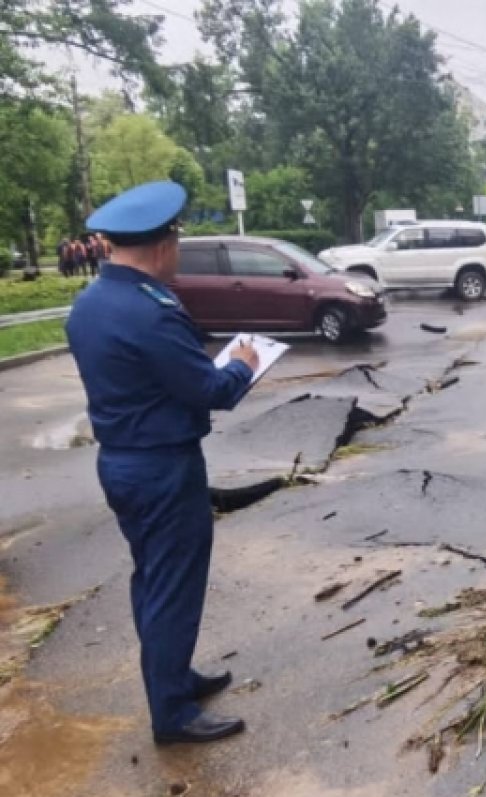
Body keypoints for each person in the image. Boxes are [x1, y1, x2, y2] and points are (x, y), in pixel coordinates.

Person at [66, 181, 260, 745]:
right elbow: (210, 389)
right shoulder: (150, 311)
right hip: (162, 468)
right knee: (173, 583)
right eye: (177, 238)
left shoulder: (91, 303)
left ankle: (173, 677)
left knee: (152, 578)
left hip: (122, 462)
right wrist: (245, 364)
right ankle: (172, 713)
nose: (178, 248)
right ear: (161, 244)